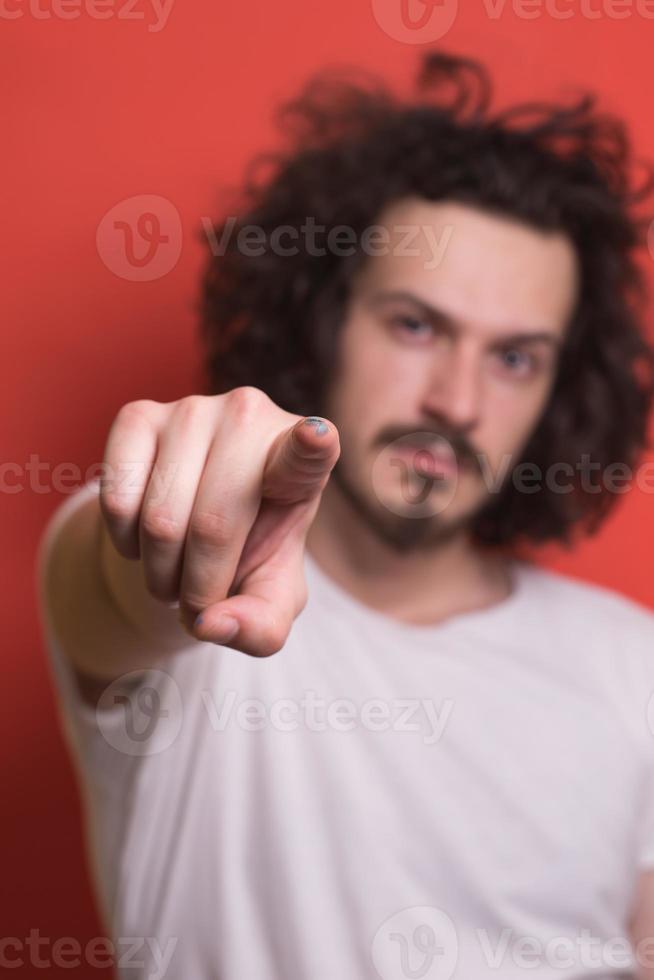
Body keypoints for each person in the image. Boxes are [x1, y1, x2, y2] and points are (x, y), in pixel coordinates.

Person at [37, 51, 654, 980]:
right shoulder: (193, 596)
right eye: (416, 326)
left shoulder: (630, 666)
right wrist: (199, 498)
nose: (457, 400)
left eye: (516, 359)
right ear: (324, 323)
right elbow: (125, 575)